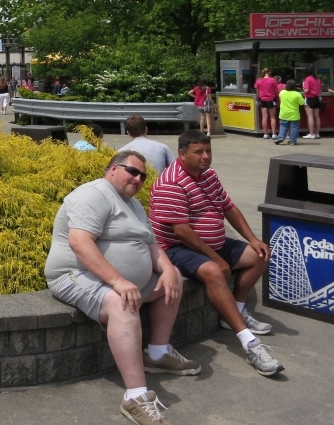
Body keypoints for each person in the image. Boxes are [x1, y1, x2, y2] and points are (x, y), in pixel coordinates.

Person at [45, 150, 198, 425]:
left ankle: (158, 353)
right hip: (74, 275)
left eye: (143, 175)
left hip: (120, 281)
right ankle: (136, 397)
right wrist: (118, 281)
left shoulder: (134, 205)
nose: (138, 178)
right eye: (132, 171)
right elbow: (80, 243)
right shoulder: (93, 194)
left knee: (169, 282)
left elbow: (152, 246)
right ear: (113, 169)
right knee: (122, 304)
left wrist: (168, 269)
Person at [149, 130, 284, 376]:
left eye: (208, 151)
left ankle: (237, 310)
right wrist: (217, 258)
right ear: (182, 154)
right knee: (213, 271)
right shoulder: (171, 182)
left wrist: (253, 239)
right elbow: (182, 232)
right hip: (178, 248)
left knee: (259, 254)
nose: (206, 157)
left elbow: (228, 207)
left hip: (213, 243)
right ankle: (250, 343)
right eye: (198, 152)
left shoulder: (209, 175)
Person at [273, 79, 305, 146]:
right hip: (294, 114)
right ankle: (292, 141)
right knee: (294, 127)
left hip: (283, 113)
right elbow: (302, 103)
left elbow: (281, 99)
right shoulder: (297, 94)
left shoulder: (282, 92)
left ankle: (280, 137)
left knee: (283, 126)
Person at [254, 68, 279, 140]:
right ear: (270, 72)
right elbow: (276, 91)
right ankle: (274, 134)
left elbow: (257, 92)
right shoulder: (273, 80)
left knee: (264, 118)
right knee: (272, 117)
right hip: (271, 99)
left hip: (262, 100)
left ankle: (265, 134)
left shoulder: (258, 80)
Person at [301, 69, 324, 140]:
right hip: (317, 98)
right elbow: (320, 90)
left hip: (309, 98)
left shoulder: (307, 79)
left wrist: (303, 86)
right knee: (317, 116)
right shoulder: (318, 79)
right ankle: (317, 133)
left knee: (310, 117)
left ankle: (311, 134)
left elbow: (306, 90)